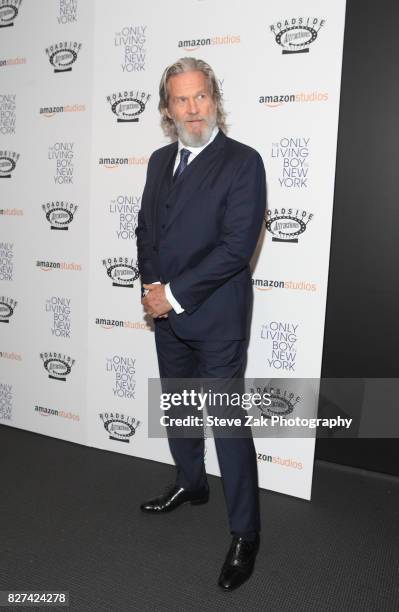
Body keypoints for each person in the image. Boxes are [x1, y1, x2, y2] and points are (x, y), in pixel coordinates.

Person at [135, 57, 266, 591]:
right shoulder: (159, 160)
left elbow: (236, 249)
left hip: (215, 320)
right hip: (166, 316)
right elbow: (146, 227)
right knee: (180, 408)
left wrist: (173, 295)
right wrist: (150, 286)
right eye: (181, 100)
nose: (193, 109)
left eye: (201, 97)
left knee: (229, 427)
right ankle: (190, 483)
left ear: (215, 99)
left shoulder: (243, 162)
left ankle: (245, 533)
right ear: (167, 109)